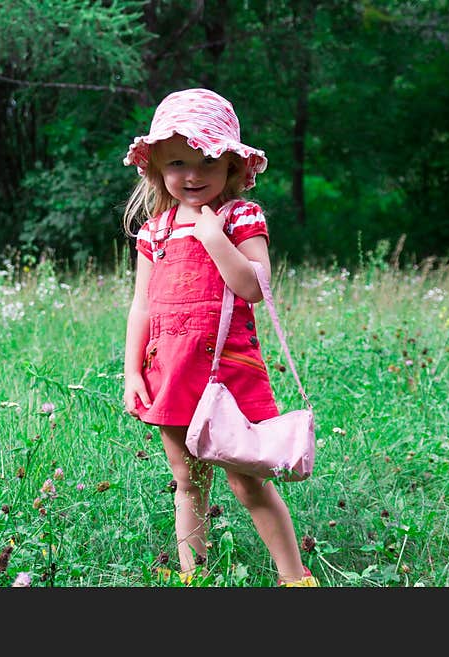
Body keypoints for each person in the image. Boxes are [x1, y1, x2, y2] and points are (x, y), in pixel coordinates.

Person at [121, 88, 318, 587]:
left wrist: (214, 239)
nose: (192, 175)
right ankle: (195, 578)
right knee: (187, 483)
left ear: (232, 165)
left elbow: (254, 287)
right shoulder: (155, 232)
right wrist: (131, 372)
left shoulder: (240, 218)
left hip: (227, 371)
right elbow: (142, 305)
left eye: (207, 161)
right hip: (170, 366)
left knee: (246, 481)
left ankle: (294, 577)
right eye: (177, 163)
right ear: (157, 169)